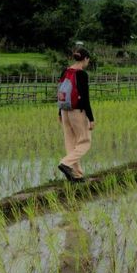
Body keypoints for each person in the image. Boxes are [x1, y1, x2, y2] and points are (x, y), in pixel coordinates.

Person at [57, 47, 94, 182]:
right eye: (88, 60)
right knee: (85, 141)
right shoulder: (81, 74)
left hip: (64, 110)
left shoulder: (65, 71)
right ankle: (65, 163)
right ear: (85, 59)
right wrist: (90, 118)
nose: (88, 63)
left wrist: (59, 112)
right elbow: (85, 98)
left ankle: (77, 174)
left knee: (70, 142)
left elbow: (61, 91)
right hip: (77, 111)